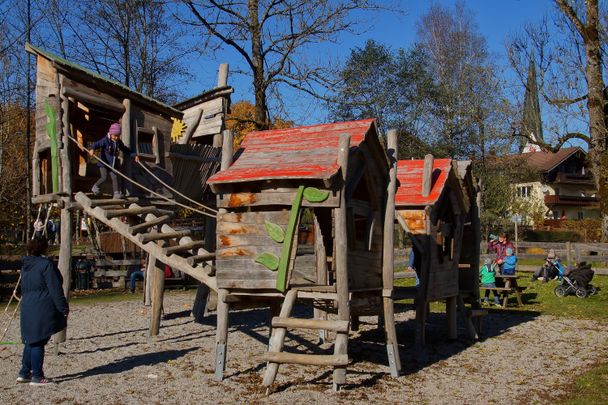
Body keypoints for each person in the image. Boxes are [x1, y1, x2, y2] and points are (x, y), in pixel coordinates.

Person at [18, 237, 69, 386]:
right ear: (44, 248)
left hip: (27, 305)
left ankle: (24, 371)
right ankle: (37, 376)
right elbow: (55, 288)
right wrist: (63, 307)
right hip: (41, 305)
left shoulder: (26, 265)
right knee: (38, 340)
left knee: (30, 340)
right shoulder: (46, 265)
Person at [89, 122, 139, 199]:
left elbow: (125, 149)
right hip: (104, 163)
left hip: (112, 164)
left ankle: (116, 193)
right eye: (115, 135)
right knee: (104, 177)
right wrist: (92, 149)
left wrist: (134, 155)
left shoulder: (118, 142)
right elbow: (97, 144)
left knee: (115, 178)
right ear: (111, 133)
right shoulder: (105, 140)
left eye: (118, 136)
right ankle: (95, 187)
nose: (116, 137)